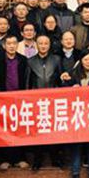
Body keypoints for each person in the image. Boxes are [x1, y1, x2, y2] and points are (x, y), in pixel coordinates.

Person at [26, 35, 63, 170]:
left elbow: (60, 81)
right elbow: (27, 83)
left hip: (53, 101)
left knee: (54, 130)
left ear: (49, 45)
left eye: (46, 43)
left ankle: (55, 158)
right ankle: (37, 159)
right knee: (38, 130)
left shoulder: (56, 59)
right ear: (36, 45)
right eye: (40, 43)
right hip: (36, 102)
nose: (43, 46)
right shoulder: (30, 61)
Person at [0, 35, 30, 170]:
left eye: (14, 43)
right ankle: (6, 159)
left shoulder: (23, 60)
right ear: (4, 45)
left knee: (20, 128)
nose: (11, 46)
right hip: (2, 99)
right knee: (4, 129)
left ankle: (20, 158)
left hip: (20, 99)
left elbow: (27, 78)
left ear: (18, 45)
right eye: (8, 43)